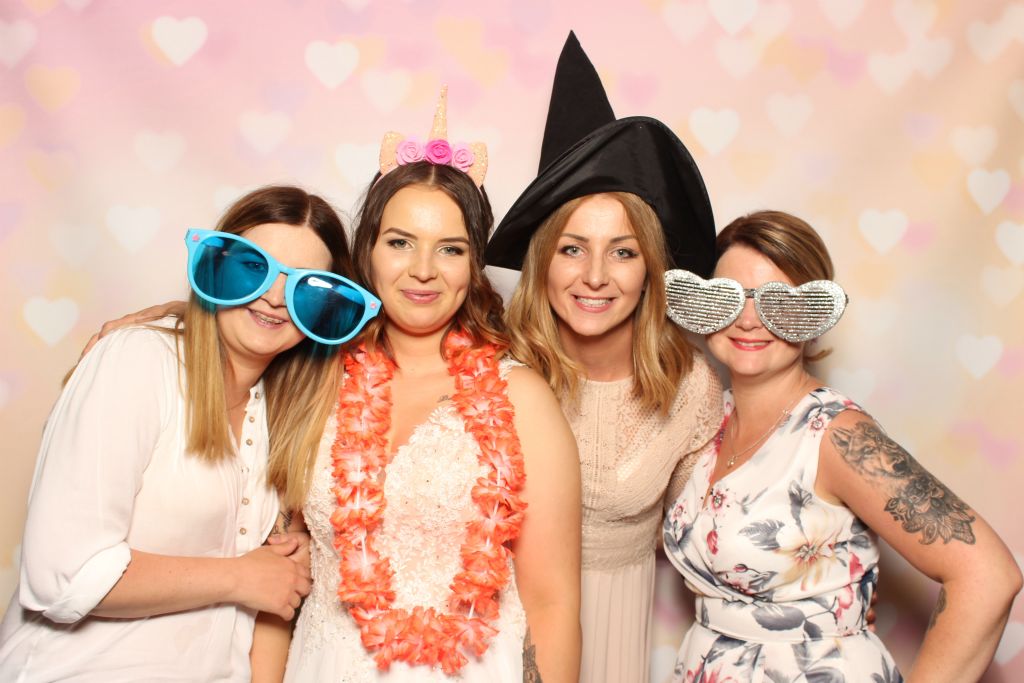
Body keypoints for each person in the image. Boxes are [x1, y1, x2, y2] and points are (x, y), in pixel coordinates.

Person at [0, 185, 383, 681]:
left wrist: (307, 553)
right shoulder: (138, 361)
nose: (274, 297)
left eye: (304, 287)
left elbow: (274, 596)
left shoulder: (287, 414)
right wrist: (240, 577)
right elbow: (64, 574)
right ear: (215, 267)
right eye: (252, 267)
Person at [266, 91, 582, 682]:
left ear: (474, 263)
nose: (423, 270)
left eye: (450, 249)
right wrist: (170, 319)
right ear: (367, 249)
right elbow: (277, 569)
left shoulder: (522, 399)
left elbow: (553, 604)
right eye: (400, 242)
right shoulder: (310, 376)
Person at [662, 210, 1023, 681]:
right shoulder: (708, 419)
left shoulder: (836, 434)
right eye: (729, 297)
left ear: (815, 314)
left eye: (780, 302)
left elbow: (988, 575)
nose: (749, 319)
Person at [485, 33, 723, 683]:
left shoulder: (691, 386)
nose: (595, 275)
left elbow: (716, 536)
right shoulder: (495, 369)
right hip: (498, 636)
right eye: (572, 248)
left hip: (617, 639)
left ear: (650, 267)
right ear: (542, 261)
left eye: (622, 251)